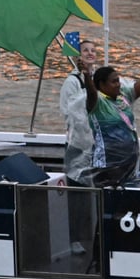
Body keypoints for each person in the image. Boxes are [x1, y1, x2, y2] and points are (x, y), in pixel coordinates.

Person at [80, 50, 140, 187]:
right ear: (102, 85)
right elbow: (91, 92)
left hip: (128, 163)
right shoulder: (97, 103)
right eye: (114, 82)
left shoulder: (123, 96)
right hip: (107, 165)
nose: (118, 84)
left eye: (118, 80)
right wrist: (87, 75)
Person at [59, 39, 99, 186]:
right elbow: (67, 111)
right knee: (78, 182)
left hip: (96, 142)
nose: (90, 53)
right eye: (86, 50)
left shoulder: (99, 78)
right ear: (78, 56)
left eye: (93, 50)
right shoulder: (72, 82)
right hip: (78, 143)